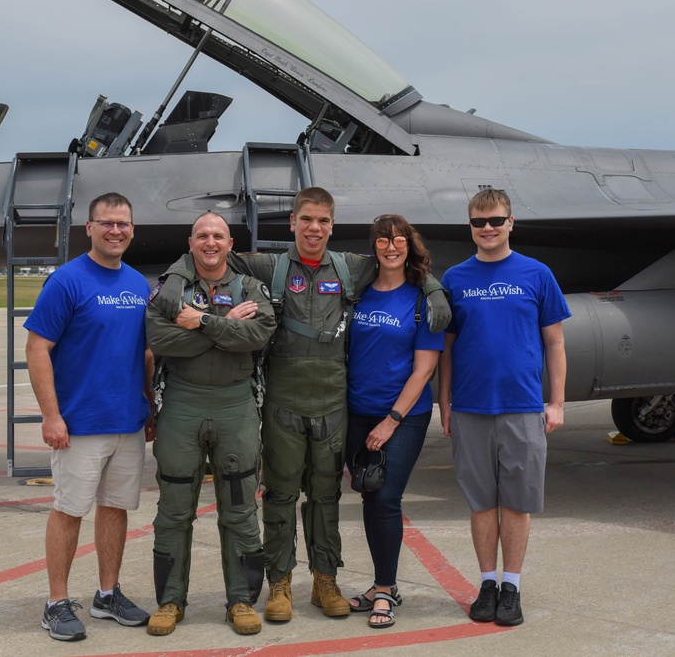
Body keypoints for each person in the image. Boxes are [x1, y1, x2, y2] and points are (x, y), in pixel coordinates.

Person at [155, 187, 451, 623]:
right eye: (307, 219)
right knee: (279, 495)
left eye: (323, 221)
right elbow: (209, 257)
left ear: (332, 225)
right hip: (283, 401)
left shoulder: (351, 268)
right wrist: (177, 280)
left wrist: (433, 288)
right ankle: (280, 583)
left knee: (326, 496)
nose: (315, 228)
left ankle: (324, 579)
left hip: (333, 401)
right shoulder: (270, 267)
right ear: (293, 222)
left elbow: (400, 261)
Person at [24, 192, 154, 642]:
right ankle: (56, 603)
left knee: (115, 510)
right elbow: (37, 348)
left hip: (127, 422)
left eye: (123, 224)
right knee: (68, 511)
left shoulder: (139, 284)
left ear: (132, 230)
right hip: (78, 424)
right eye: (107, 223)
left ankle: (107, 593)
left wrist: (149, 407)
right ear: (90, 228)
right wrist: (51, 416)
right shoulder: (66, 280)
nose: (115, 231)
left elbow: (145, 354)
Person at [438, 188, 570, 627]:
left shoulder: (537, 274)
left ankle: (511, 586)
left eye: (496, 220)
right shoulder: (455, 278)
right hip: (472, 407)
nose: (488, 229)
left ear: (511, 222)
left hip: (523, 406)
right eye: (479, 222)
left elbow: (555, 341)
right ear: (470, 227)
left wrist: (557, 401)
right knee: (481, 503)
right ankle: (488, 583)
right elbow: (447, 347)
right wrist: (445, 402)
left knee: (516, 503)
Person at [144, 213, 277, 636]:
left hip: (236, 405)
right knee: (173, 511)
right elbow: (160, 340)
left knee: (239, 508)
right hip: (182, 405)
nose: (210, 241)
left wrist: (200, 321)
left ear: (230, 243)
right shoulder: (170, 288)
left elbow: (260, 334)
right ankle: (169, 601)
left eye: (218, 235)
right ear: (191, 241)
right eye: (202, 235)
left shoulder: (251, 288)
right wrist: (226, 326)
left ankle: (240, 600)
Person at [345, 214, 443, 629]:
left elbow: (423, 371)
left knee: (385, 498)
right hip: (355, 411)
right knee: (368, 494)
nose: (390, 247)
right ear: (374, 247)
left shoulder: (423, 299)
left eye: (399, 240)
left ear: (409, 245)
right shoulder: (359, 293)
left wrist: (390, 421)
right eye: (383, 240)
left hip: (402, 416)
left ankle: (385, 588)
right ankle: (380, 585)